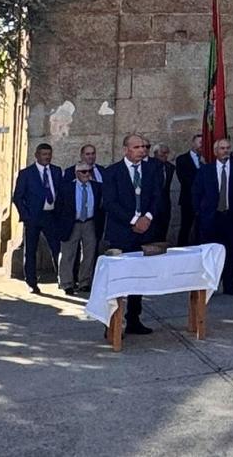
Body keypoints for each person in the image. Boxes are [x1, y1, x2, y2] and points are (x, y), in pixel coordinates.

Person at [102, 133, 170, 334]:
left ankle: (134, 319)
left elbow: (158, 196)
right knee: (118, 278)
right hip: (122, 232)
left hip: (144, 232)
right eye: (137, 147)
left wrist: (147, 217)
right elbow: (110, 203)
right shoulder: (112, 172)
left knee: (138, 278)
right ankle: (113, 322)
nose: (142, 150)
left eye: (144, 147)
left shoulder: (153, 169)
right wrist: (133, 220)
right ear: (126, 149)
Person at [194, 137, 233, 295]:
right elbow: (197, 192)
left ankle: (229, 284)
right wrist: (200, 212)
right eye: (222, 148)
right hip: (211, 217)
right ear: (215, 151)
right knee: (209, 252)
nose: (225, 151)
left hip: (230, 217)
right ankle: (209, 283)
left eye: (227, 148)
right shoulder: (206, 170)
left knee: (231, 252)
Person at [13, 143, 67, 295]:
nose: (47, 157)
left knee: (56, 247)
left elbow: (61, 194)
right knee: (31, 250)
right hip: (33, 217)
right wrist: (26, 215)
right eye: (44, 154)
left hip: (51, 215)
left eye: (49, 154)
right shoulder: (26, 174)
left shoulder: (56, 171)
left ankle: (62, 279)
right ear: (37, 155)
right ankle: (31, 282)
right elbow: (17, 197)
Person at [59, 162, 102, 296]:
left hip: (89, 222)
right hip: (72, 223)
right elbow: (59, 206)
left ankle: (84, 282)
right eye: (83, 172)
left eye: (89, 171)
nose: (87, 174)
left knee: (89, 253)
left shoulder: (96, 187)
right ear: (77, 173)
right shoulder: (67, 187)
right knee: (68, 254)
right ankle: (67, 283)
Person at [174, 134, 205, 245]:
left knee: (202, 227)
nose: (202, 145)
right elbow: (184, 180)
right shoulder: (182, 159)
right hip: (188, 199)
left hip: (204, 200)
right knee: (186, 226)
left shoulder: (206, 159)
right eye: (200, 142)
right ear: (193, 143)